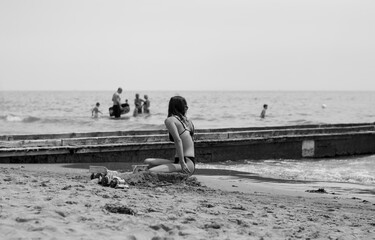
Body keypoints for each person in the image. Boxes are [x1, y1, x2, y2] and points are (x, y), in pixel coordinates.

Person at [144, 96, 195, 175]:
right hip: (185, 161)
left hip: (186, 163)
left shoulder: (170, 120)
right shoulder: (189, 121)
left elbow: (178, 140)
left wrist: (182, 163)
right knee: (147, 161)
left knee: (150, 171)